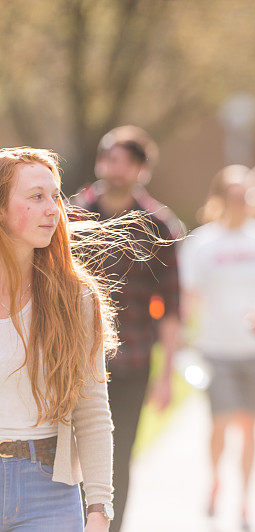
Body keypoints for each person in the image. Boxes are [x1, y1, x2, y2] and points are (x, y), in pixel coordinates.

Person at [70, 127, 184, 532]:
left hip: (131, 361)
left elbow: (171, 308)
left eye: (124, 160)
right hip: (73, 358)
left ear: (141, 169)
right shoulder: (71, 215)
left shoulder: (159, 226)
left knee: (118, 455)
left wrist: (167, 375)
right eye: (108, 158)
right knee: (70, 455)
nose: (113, 168)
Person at [0, 147, 115, 530]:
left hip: (47, 489)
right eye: (36, 197)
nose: (53, 209)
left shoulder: (75, 297)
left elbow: (93, 409)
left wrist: (99, 505)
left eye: (55, 197)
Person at [179, 165, 255, 529]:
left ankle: (243, 499)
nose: (240, 201)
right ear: (220, 197)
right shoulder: (201, 243)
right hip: (216, 350)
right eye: (233, 194)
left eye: (246, 194)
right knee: (220, 423)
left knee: (250, 427)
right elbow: (189, 299)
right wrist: (183, 342)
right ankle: (215, 481)